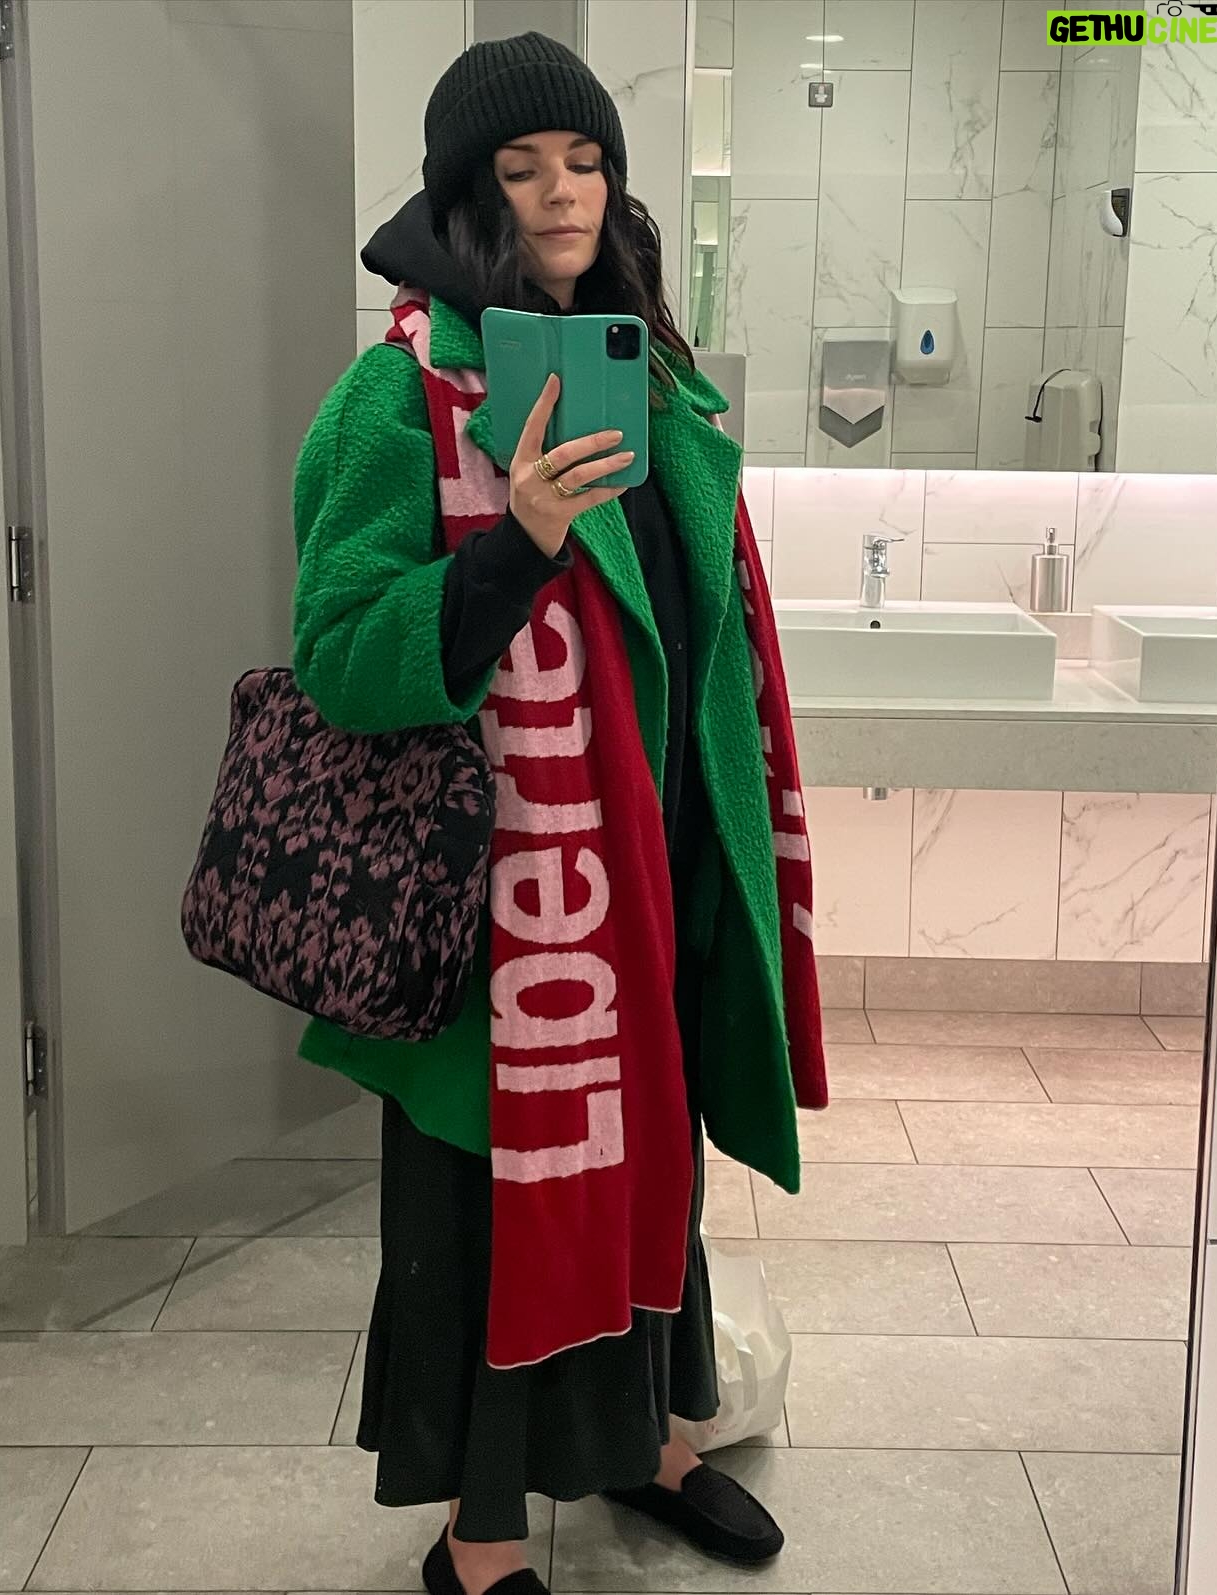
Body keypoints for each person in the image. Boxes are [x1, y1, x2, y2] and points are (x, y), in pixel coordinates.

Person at [290, 32, 826, 1595]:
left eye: (585, 162)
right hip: (509, 912)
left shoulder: (643, 371)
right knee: (493, 1209)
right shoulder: (399, 395)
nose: (561, 193)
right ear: (468, 198)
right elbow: (343, 653)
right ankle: (479, 1540)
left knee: (654, 1163)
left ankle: (654, 1439)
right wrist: (512, 543)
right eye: (521, 170)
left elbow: (696, 625)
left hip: (656, 867)